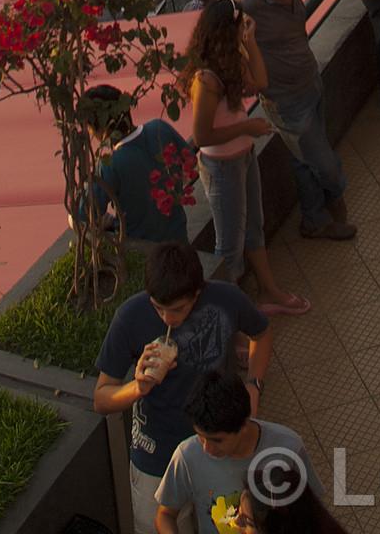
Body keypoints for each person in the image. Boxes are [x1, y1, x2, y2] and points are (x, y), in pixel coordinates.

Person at [93, 239, 272, 534]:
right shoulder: (130, 317)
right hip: (156, 457)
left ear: (198, 292)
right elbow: (101, 398)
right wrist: (138, 387)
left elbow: (262, 333)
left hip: (215, 447)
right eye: (158, 308)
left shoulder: (226, 299)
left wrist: (254, 383)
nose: (167, 318)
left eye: (177, 309)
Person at [183, 0, 309, 314]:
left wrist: (250, 41)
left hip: (243, 156)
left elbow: (261, 82)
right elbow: (202, 136)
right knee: (228, 246)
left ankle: (268, 291)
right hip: (221, 164)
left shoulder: (230, 62)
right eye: (243, 24)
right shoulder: (206, 79)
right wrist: (247, 128)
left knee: (254, 226)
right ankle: (229, 317)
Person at [236, 0, 355, 243]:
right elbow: (225, 41)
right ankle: (335, 198)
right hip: (284, 100)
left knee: (304, 161)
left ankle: (313, 220)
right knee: (324, 163)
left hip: (310, 82)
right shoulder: (249, 4)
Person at [156, 370, 320, 534]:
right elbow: (165, 515)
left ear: (243, 426)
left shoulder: (288, 448)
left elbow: (313, 513)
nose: (206, 448)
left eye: (217, 440)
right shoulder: (187, 455)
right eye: (200, 437)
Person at [79, 86, 194, 245]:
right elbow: (190, 159)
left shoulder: (110, 164)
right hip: (179, 238)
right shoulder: (159, 127)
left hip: (140, 248)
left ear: (101, 128)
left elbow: (83, 214)